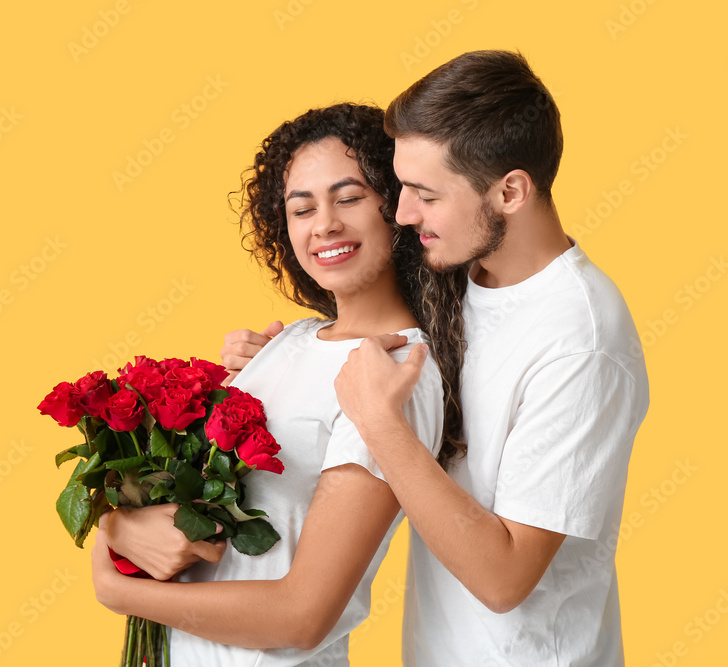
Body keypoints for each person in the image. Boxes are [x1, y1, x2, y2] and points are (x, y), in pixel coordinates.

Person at [225, 51, 650, 666]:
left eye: (425, 194)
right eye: (401, 188)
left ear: (510, 191)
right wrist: (284, 368)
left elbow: (505, 579)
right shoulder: (463, 274)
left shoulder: (580, 341)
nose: (402, 215)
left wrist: (379, 424)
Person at [90, 103, 468, 666]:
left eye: (349, 197)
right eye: (301, 208)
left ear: (397, 207)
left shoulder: (395, 374)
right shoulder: (289, 342)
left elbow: (303, 615)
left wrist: (115, 587)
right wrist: (116, 522)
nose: (324, 225)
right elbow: (182, 499)